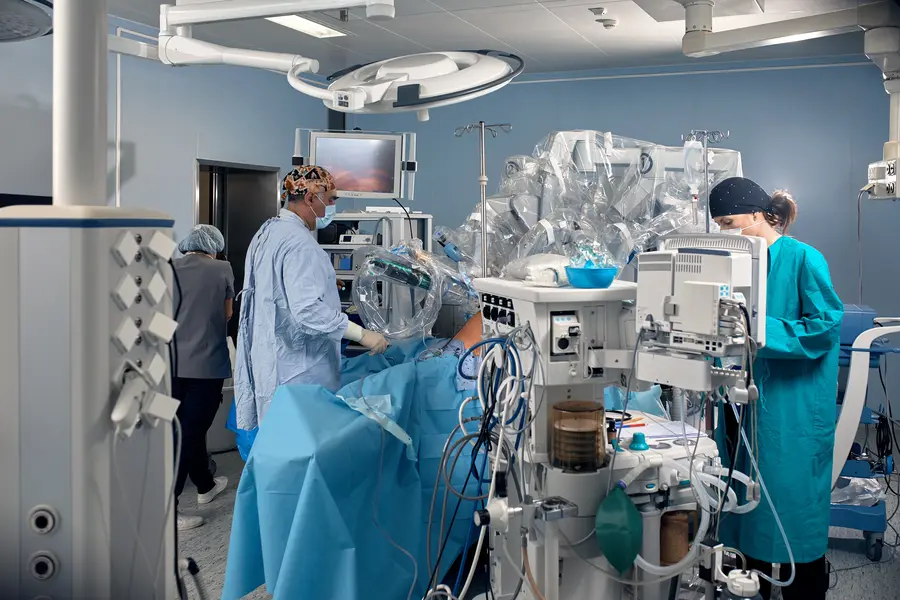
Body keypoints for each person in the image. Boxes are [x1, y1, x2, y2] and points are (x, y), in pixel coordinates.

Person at [709, 177, 843, 600]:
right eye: (719, 225)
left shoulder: (803, 259)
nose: (725, 232)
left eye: (729, 223)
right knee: (743, 503)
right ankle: (752, 585)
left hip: (791, 410)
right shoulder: (731, 264)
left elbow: (825, 326)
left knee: (790, 508)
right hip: (742, 404)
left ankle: (804, 590)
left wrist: (760, 329)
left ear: (756, 214)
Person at [234, 165, 389, 432]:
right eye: (330, 199)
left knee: (277, 439)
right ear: (309, 198)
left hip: (272, 359)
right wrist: (361, 334)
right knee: (300, 441)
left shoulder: (268, 232)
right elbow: (306, 310)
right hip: (299, 370)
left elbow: (276, 288)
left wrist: (325, 281)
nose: (332, 207)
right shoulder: (300, 243)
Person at [171, 224, 235, 531]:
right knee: (188, 434)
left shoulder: (168, 267)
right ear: (214, 246)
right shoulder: (222, 269)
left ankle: (205, 485)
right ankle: (168, 510)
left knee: (184, 429)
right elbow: (227, 314)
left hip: (170, 364)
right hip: (206, 365)